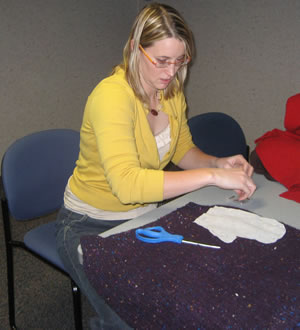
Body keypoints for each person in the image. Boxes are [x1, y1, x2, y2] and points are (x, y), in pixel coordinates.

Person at [56, 3, 256, 329]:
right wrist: (213, 176)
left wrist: (218, 162)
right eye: (162, 61)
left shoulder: (170, 91)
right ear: (135, 48)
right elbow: (127, 185)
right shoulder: (111, 97)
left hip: (145, 216)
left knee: (180, 299)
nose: (170, 72)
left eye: (179, 61)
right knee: (128, 317)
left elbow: (181, 149)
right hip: (88, 223)